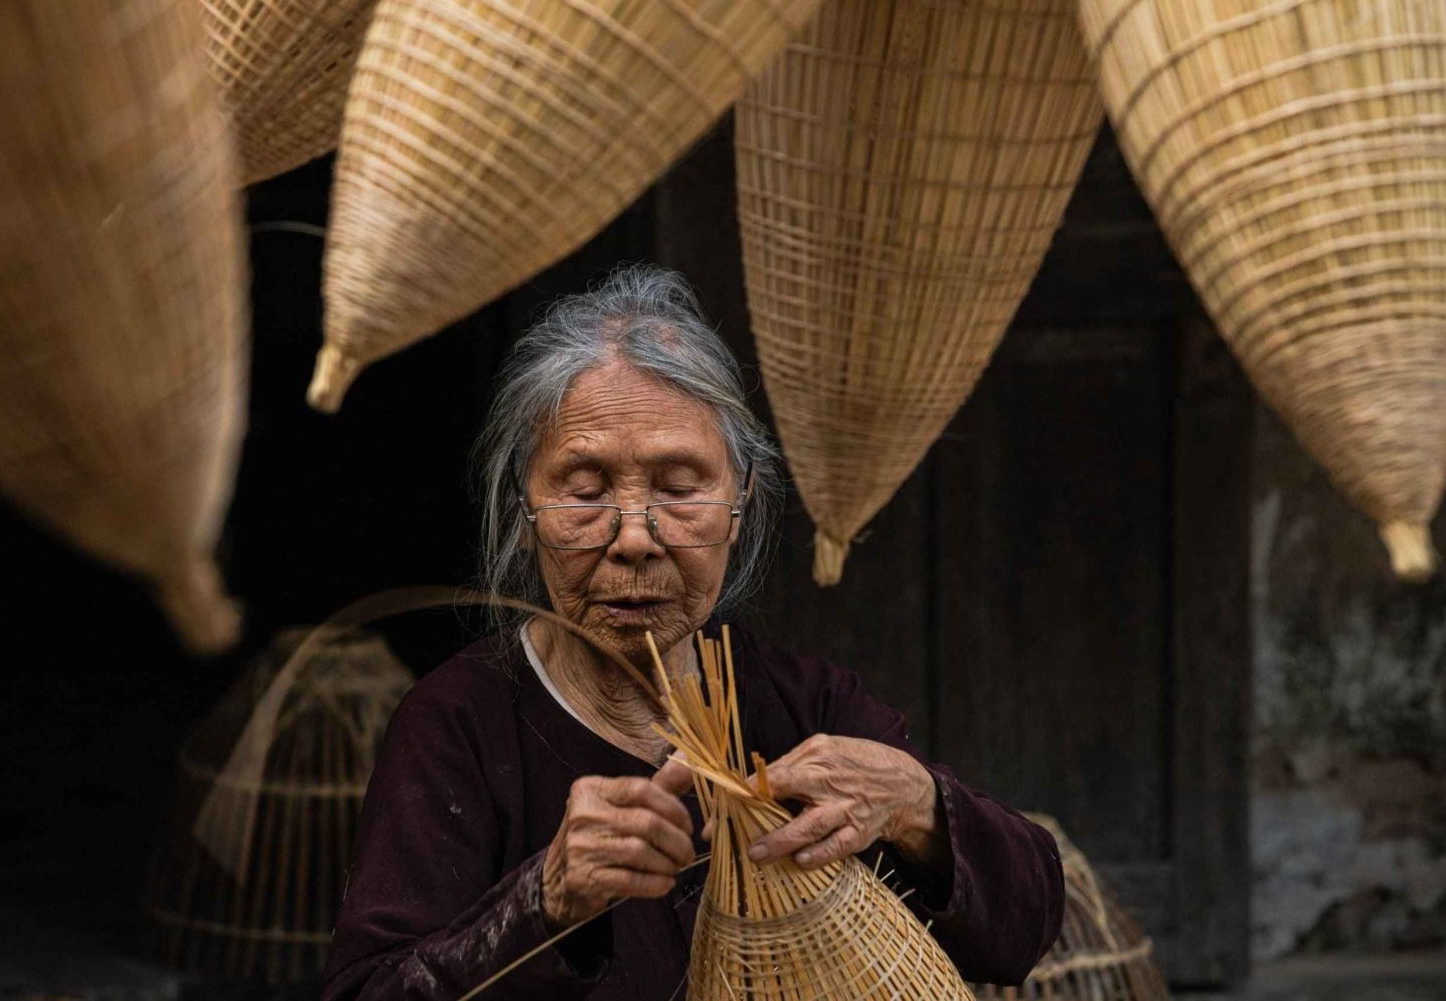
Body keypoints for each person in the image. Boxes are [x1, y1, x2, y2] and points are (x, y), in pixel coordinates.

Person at [323, 266, 1064, 1000]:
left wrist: (918, 805)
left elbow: (1025, 923)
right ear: (526, 511)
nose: (635, 538)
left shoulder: (802, 708)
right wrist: (541, 902)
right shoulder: (459, 727)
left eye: (679, 489)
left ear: (738, 504)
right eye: (585, 491)